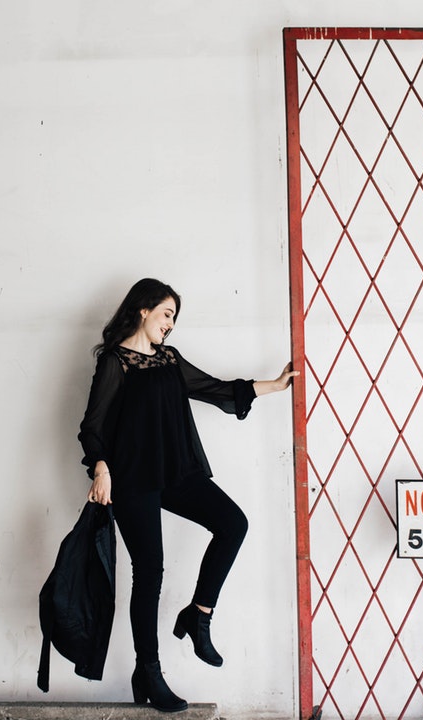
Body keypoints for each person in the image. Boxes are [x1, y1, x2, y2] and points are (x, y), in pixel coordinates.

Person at [77, 278, 297, 712]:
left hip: (175, 472)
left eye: (174, 319)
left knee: (233, 523)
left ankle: (198, 614)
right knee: (151, 572)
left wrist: (274, 385)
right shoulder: (115, 362)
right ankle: (149, 671)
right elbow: (93, 425)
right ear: (143, 310)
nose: (170, 325)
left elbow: (213, 389)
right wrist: (101, 468)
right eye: (166, 314)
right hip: (133, 479)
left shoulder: (169, 359)